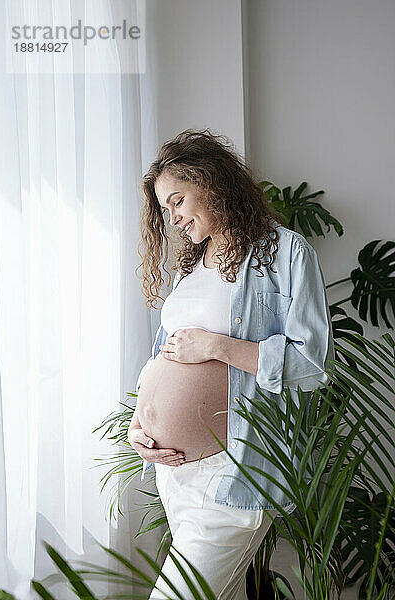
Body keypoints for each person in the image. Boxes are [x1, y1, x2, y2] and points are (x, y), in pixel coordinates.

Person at [128, 129, 334, 600]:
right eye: (166, 209)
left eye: (178, 201)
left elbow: (310, 365)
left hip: (231, 472)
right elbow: (163, 358)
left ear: (213, 182)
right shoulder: (191, 268)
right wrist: (140, 425)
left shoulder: (283, 253)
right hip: (174, 475)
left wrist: (217, 346)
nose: (174, 218)